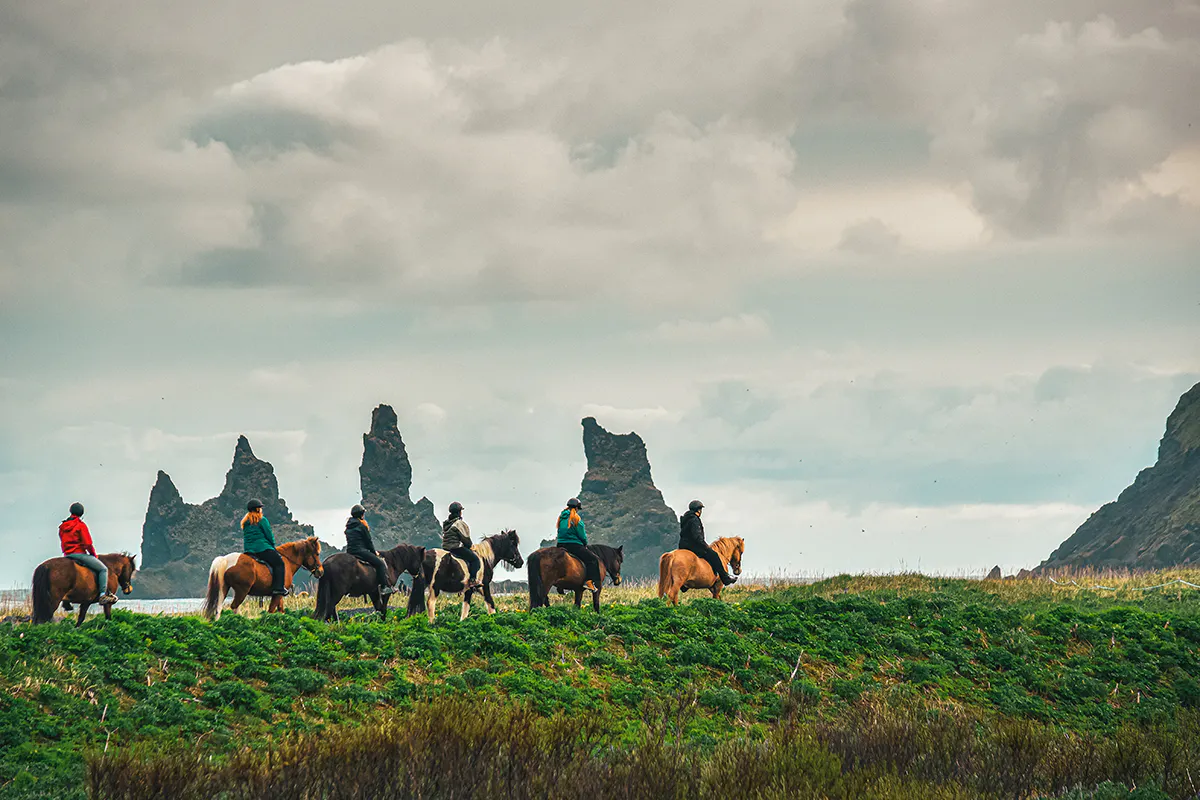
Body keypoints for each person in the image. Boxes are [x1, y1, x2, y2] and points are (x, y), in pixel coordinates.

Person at [58, 502, 118, 604]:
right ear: (81, 513)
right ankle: (103, 595)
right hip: (79, 554)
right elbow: (88, 544)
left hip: (67, 555)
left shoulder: (62, 527)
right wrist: (93, 555)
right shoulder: (80, 525)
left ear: (71, 511)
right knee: (103, 569)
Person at [678, 500, 737, 585]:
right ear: (698, 510)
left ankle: (684, 585)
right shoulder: (695, 520)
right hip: (693, 546)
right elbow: (697, 537)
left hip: (683, 546)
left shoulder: (686, 519)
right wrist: (706, 546)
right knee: (714, 555)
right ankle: (725, 578)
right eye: (700, 509)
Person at [345, 504, 395, 596]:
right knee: (380, 563)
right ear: (361, 514)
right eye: (363, 514)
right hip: (360, 551)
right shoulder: (362, 526)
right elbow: (368, 542)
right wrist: (374, 552)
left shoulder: (348, 527)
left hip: (350, 551)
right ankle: (384, 587)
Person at [241, 499, 288, 597]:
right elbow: (269, 535)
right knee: (279, 563)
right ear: (257, 509)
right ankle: (278, 588)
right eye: (260, 508)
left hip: (249, 551)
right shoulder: (262, 520)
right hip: (263, 549)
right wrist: (272, 546)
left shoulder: (245, 522)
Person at [557, 497, 601, 594]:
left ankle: (560, 585)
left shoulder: (561, 518)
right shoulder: (575, 518)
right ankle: (589, 582)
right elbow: (582, 535)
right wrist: (585, 543)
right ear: (576, 508)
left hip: (560, 544)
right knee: (593, 559)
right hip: (573, 545)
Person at [442, 502, 482, 590]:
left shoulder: (447, 523)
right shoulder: (459, 523)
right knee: (475, 560)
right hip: (455, 548)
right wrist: (470, 546)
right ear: (459, 512)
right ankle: (472, 581)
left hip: (445, 548)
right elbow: (466, 540)